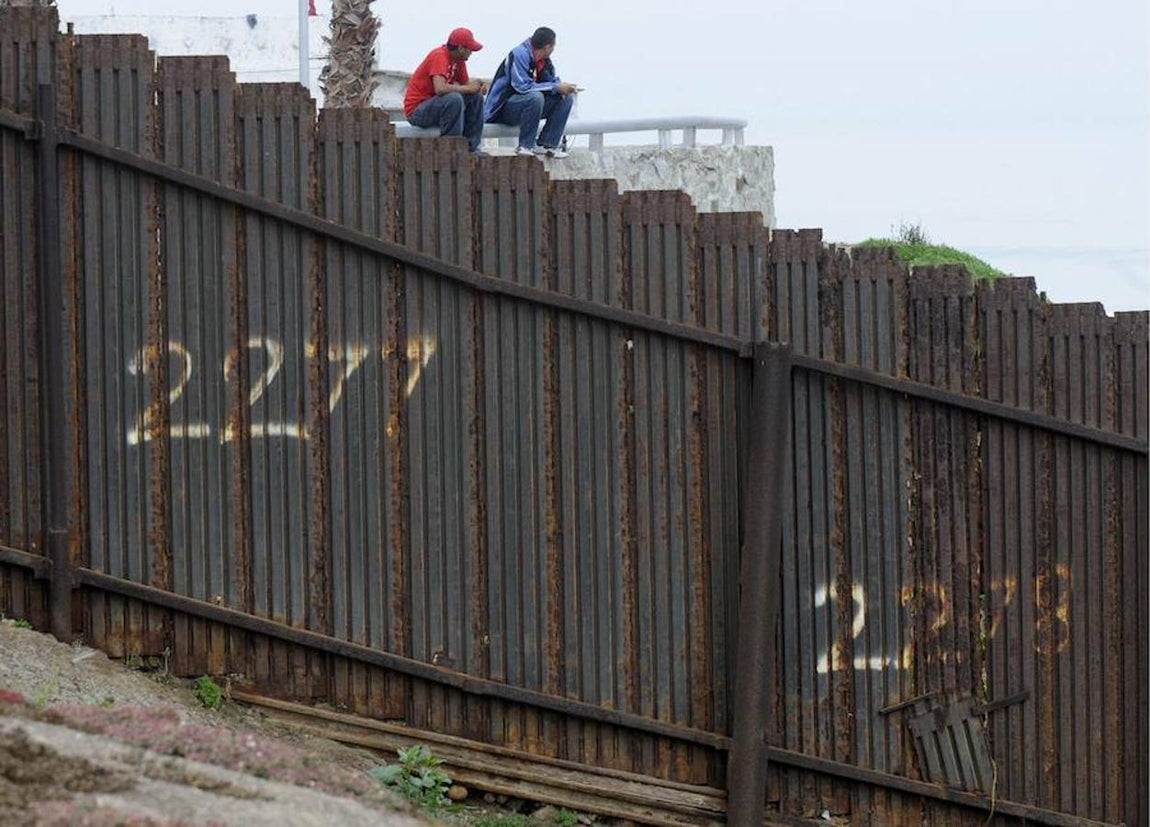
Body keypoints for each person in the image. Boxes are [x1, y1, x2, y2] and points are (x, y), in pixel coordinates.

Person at [483, 26, 579, 158]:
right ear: (547, 47)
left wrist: (562, 87)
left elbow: (550, 81)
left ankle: (546, 145)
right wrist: (555, 87)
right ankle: (525, 146)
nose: (553, 50)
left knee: (565, 98)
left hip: (527, 108)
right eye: (553, 46)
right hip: (503, 108)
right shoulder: (519, 54)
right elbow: (522, 86)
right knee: (535, 97)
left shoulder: (544, 61)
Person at [403, 27, 488, 155]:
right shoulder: (440, 56)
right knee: (454, 99)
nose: (471, 52)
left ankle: (471, 148)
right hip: (417, 111)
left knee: (475, 98)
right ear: (460, 48)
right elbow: (440, 88)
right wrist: (468, 88)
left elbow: (466, 86)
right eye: (470, 49)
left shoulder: (459, 61)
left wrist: (477, 87)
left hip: (436, 106)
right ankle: (451, 150)